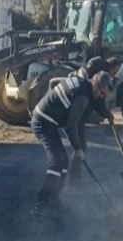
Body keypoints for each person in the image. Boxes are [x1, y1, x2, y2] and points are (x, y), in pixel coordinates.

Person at [29, 71, 114, 218]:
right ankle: (40, 205)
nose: (101, 96)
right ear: (94, 83)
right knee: (57, 161)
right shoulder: (83, 97)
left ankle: (53, 200)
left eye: (104, 94)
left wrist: (107, 114)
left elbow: (97, 101)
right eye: (101, 92)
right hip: (43, 121)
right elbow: (71, 124)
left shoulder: (83, 84)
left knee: (63, 161)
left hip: (48, 119)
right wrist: (78, 148)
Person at [66, 56, 121, 187]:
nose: (115, 75)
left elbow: (98, 99)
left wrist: (107, 114)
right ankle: (72, 181)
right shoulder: (99, 76)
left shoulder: (96, 67)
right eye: (115, 71)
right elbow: (98, 101)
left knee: (81, 145)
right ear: (112, 67)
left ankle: (74, 178)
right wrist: (107, 114)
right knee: (80, 145)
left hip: (79, 108)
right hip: (78, 108)